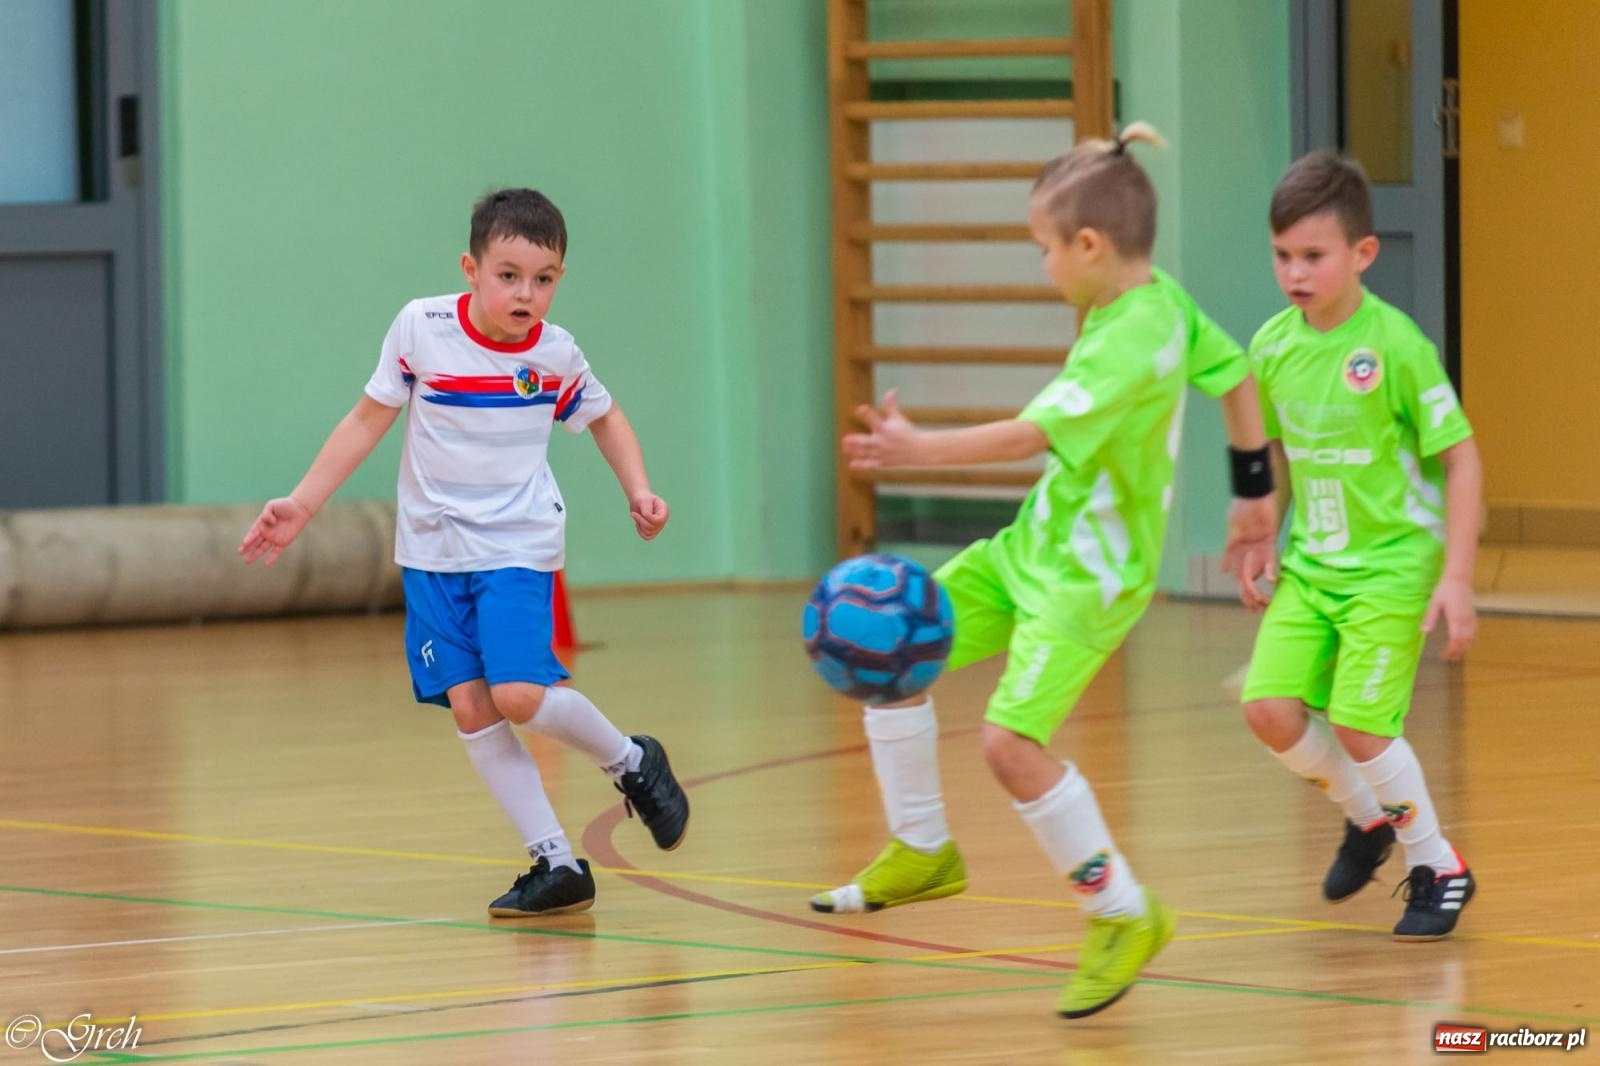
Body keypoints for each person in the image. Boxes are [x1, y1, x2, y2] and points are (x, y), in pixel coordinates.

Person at [821, 124, 1278, 1018]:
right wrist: (1253, 487)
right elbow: (1236, 376)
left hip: (1088, 581)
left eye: (1043, 251)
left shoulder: (1130, 338)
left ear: (1091, 246)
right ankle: (922, 849)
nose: (1041, 269)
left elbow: (1030, 435)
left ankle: (1123, 914)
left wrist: (916, 448)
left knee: (1008, 746)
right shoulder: (1162, 302)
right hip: (1029, 548)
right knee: (886, 648)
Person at [239, 187, 689, 918]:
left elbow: (606, 419)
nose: (526, 293)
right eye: (508, 274)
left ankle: (632, 759)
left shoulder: (555, 353)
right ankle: (556, 862)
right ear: (471, 268)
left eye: (543, 279)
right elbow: (365, 420)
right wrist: (303, 504)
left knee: (516, 693)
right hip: (432, 551)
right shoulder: (422, 328)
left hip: (517, 543)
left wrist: (638, 489)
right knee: (472, 707)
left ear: (559, 281)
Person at [1232, 151, 1480, 940]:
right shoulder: (1271, 346)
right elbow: (1272, 447)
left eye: (1313, 255)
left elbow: (1461, 456)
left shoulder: (1395, 346)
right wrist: (1263, 526)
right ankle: (1367, 816)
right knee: (1269, 711)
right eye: (1282, 256)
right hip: (1311, 567)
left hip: (1392, 566)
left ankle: (1437, 864)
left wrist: (1458, 578)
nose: (1295, 272)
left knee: (1362, 723)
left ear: (1362, 254)